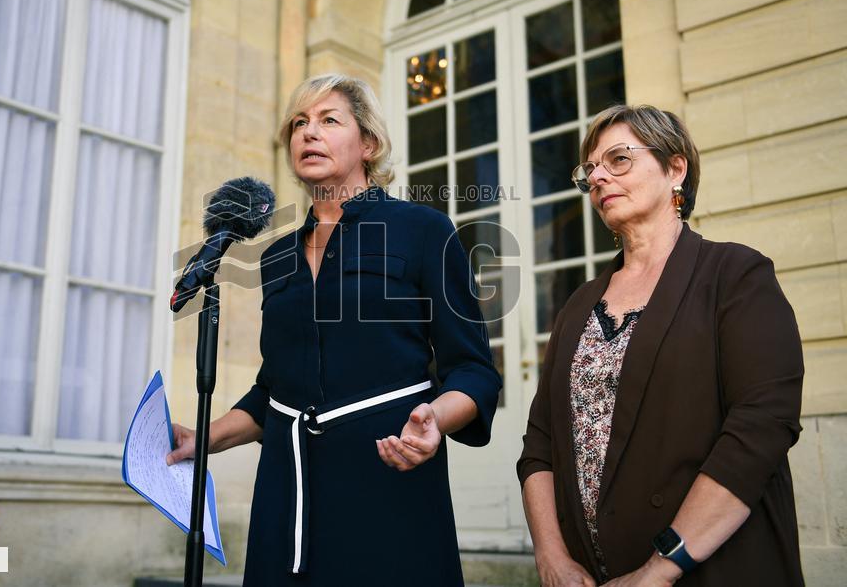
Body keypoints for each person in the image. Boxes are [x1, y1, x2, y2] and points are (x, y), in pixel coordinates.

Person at [167, 73, 502, 586]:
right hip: (288, 493)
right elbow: (274, 389)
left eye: (328, 120)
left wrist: (434, 419)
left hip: (388, 482)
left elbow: (474, 371)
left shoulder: (423, 231)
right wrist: (205, 439)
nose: (308, 132)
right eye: (299, 123)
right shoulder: (276, 257)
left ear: (368, 143)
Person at [517, 104, 805, 586]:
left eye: (619, 160)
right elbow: (539, 445)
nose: (598, 178)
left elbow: (761, 428)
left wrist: (659, 570)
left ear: (676, 168)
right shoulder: (579, 305)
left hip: (715, 569)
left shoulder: (736, 276)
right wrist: (551, 555)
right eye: (589, 169)